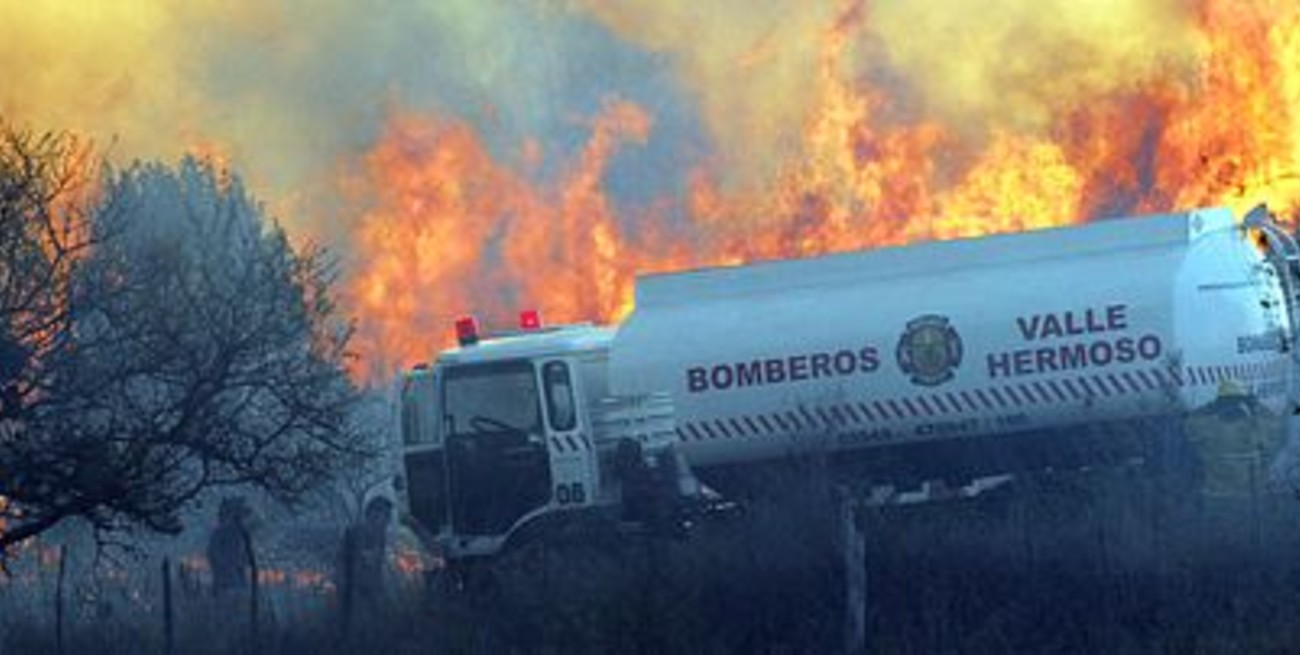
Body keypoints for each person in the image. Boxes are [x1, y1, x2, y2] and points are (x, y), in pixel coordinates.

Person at [338, 495, 395, 629]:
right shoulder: (354, 533)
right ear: (372, 514)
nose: (388, 520)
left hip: (372, 588)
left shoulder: (381, 536)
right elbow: (345, 563)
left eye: (388, 516)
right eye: (385, 515)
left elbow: (376, 565)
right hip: (353, 590)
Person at [207, 497, 252, 596]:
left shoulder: (242, 534)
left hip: (237, 581)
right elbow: (213, 554)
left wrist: (241, 563)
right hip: (225, 582)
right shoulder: (220, 533)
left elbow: (247, 557)